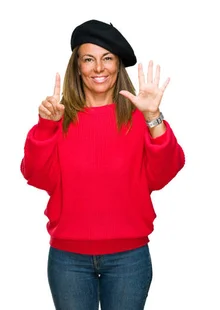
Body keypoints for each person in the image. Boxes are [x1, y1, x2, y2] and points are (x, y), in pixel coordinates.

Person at [20, 19, 185, 310]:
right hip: (68, 259)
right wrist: (46, 127)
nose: (98, 68)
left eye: (107, 58)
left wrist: (153, 117)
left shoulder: (139, 117)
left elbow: (164, 173)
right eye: (89, 59)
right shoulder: (60, 117)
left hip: (128, 258)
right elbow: (35, 175)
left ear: (118, 65)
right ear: (77, 67)